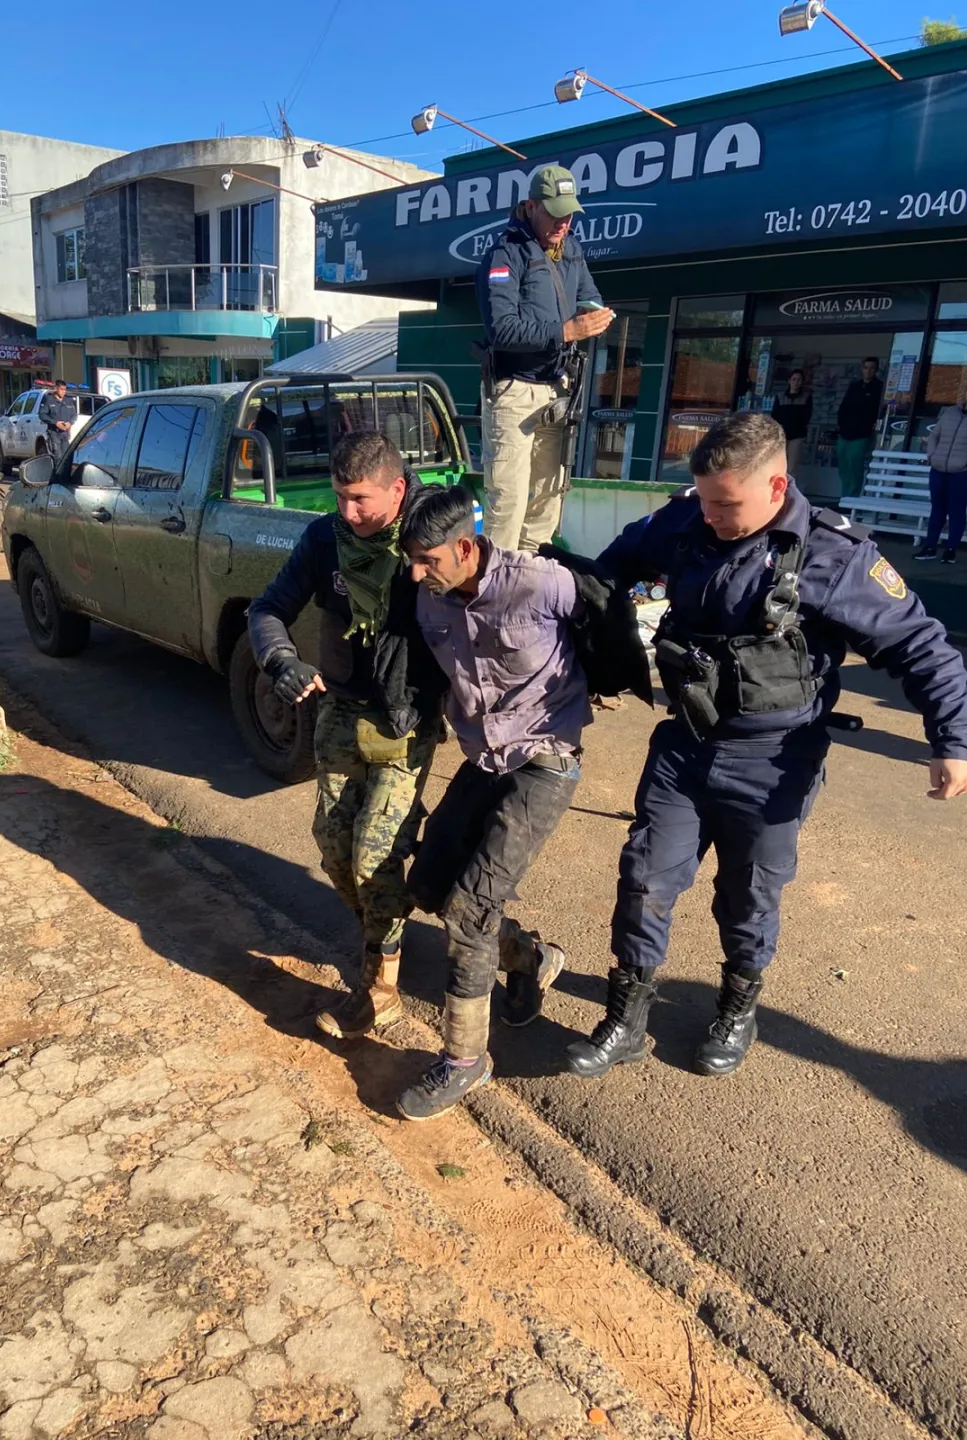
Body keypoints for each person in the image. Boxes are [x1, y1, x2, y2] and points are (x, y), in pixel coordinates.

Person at [565, 411, 967, 1084]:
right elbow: (613, 570)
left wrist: (953, 740)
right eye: (704, 500)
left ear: (777, 485)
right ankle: (626, 1018)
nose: (712, 517)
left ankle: (736, 1008)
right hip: (686, 743)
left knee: (748, 896)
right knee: (645, 879)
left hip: (775, 761)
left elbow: (925, 649)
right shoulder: (687, 518)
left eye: (727, 505)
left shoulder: (834, 556)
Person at [393, 484, 589, 1121]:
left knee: (472, 909)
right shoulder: (431, 602)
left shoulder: (537, 584)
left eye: (428, 561)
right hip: (483, 759)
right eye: (411, 561)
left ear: (467, 547)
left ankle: (465, 1059)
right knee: (428, 886)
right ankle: (532, 960)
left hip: (546, 760)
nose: (417, 574)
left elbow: (600, 607)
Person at [248, 432, 447, 1039]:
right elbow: (267, 610)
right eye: (340, 497)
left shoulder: (429, 539)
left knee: (375, 856)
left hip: (404, 719)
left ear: (397, 487)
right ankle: (514, 950)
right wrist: (283, 662)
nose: (349, 513)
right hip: (339, 709)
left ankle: (380, 987)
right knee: (336, 850)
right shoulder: (323, 539)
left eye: (361, 499)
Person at [476, 165, 616, 553]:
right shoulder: (506, 252)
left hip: (558, 389)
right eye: (554, 213)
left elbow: (590, 296)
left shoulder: (571, 250)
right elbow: (501, 330)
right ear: (531, 206)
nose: (563, 222)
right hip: (513, 390)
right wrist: (567, 331)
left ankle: (529, 590)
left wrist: (596, 315)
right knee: (508, 503)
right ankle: (495, 595)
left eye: (569, 214)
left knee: (546, 502)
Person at [914, 374, 967, 565]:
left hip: (961, 474)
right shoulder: (949, 413)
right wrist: (932, 455)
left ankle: (951, 549)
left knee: (957, 511)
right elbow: (934, 435)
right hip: (938, 469)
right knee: (937, 509)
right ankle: (930, 547)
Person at [836, 357, 883, 499]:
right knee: (843, 464)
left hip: (862, 434)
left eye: (872, 368)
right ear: (862, 369)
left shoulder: (879, 387)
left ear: (876, 370)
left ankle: (852, 497)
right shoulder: (854, 386)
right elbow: (844, 407)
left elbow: (877, 411)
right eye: (866, 367)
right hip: (845, 432)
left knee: (855, 463)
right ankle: (844, 497)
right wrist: (841, 424)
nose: (868, 371)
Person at [771, 369, 812, 476]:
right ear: (789, 381)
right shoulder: (780, 396)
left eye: (799, 380)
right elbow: (775, 415)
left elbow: (807, 416)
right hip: (782, 434)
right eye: (793, 379)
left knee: (792, 466)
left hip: (797, 435)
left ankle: (788, 490)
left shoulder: (806, 397)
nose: (796, 382)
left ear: (802, 382)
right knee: (778, 464)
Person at [39, 380, 76, 463]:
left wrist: (70, 423)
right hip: (54, 432)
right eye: (61, 389)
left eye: (65, 389)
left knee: (66, 457)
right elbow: (42, 414)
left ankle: (64, 475)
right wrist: (55, 423)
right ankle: (56, 474)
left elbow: (74, 415)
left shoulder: (68, 401)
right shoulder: (49, 400)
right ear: (56, 388)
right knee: (57, 456)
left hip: (65, 433)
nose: (63, 391)